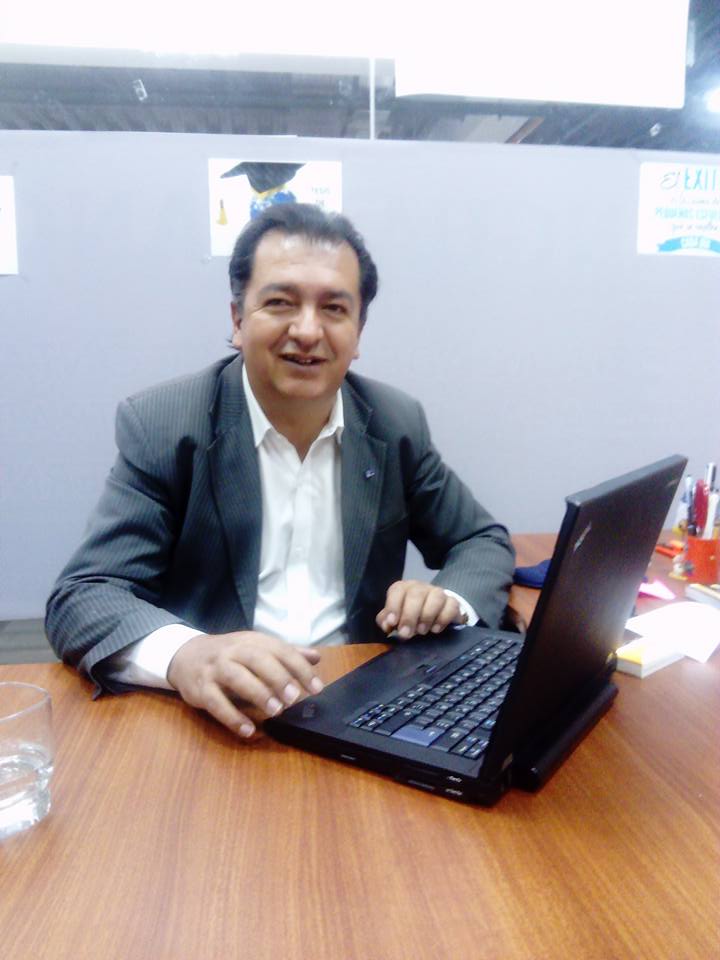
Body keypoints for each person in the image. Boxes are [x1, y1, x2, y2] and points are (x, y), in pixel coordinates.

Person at [46, 204, 515, 739]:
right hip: (218, 718)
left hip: (361, 704)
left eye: (334, 308)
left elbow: (481, 540)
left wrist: (448, 601)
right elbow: (84, 595)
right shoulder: (167, 425)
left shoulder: (394, 423)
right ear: (237, 320)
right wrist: (187, 655)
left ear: (358, 332)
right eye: (280, 303)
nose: (308, 331)